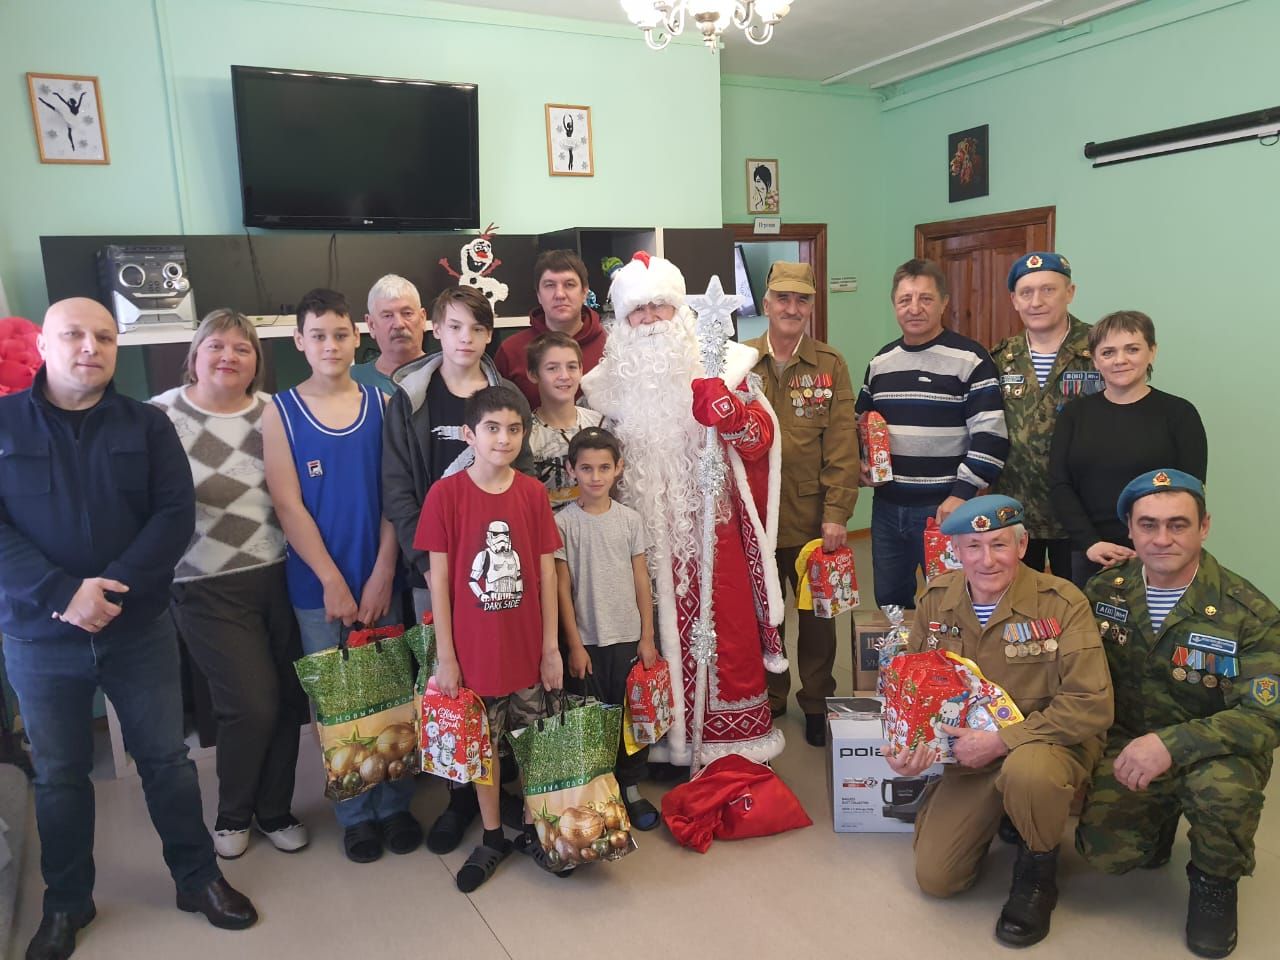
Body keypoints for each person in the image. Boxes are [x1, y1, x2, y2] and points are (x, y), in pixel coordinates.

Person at [0, 298, 257, 960]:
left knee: (168, 763)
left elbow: (175, 515)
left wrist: (106, 592)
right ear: (44, 345)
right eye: (75, 335)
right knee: (59, 775)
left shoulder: (147, 424)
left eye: (106, 336)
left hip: (135, 628)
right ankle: (67, 902)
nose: (92, 346)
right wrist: (63, 594)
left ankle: (196, 879)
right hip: (39, 635)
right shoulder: (2, 423)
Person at [581, 252, 787, 768]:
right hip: (634, 545)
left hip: (710, 536)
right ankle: (650, 751)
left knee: (726, 640)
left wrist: (729, 411)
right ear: (622, 323)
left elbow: (760, 442)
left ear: (680, 313)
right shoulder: (603, 386)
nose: (650, 320)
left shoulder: (726, 365)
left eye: (660, 308)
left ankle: (721, 744)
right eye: (638, 311)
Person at [885, 495, 1113, 948]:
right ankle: (996, 809)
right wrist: (908, 751)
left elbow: (1091, 704)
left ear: (1023, 544)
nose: (987, 560)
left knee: (1028, 773)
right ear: (956, 551)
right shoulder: (935, 600)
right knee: (936, 879)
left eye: (999, 545)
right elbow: (915, 693)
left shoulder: (1062, 602)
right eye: (973, 547)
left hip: (1048, 743)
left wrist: (1003, 741)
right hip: (970, 754)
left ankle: (1037, 873)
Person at [1076, 469, 1278, 959]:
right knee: (1104, 855)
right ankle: (1158, 822)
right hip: (1130, 740)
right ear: (1129, 529)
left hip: (1214, 750)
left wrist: (1170, 745)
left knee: (1223, 793)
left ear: (1204, 526)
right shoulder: (1105, 592)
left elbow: (1265, 717)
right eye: (1148, 525)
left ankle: (1215, 882)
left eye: (1178, 524)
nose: (1162, 539)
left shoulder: (1248, 613)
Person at [262, 288, 419, 865]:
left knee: (388, 692)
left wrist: (382, 573)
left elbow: (392, 497)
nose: (330, 345)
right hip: (317, 588)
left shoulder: (382, 406)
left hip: (380, 578)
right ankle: (355, 813)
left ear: (358, 338)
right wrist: (330, 579)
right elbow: (288, 505)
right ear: (299, 342)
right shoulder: (279, 411)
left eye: (340, 334)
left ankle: (397, 803)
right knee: (339, 705)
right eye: (317, 335)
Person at [152, 310, 308, 860]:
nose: (228, 357)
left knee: (288, 700)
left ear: (257, 362)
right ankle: (233, 814)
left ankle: (275, 810)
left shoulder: (274, 412)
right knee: (250, 704)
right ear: (194, 354)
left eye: (243, 349)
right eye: (216, 346)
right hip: (204, 584)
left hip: (283, 576)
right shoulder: (162, 416)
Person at [382, 285, 532, 854]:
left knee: (502, 685)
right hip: (436, 573)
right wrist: (427, 563)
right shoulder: (411, 401)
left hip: (500, 575)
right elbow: (398, 490)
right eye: (454, 327)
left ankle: (501, 791)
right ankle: (458, 799)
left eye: (476, 328)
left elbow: (530, 473)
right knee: (450, 688)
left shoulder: (508, 396)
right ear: (435, 331)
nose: (465, 339)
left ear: (489, 334)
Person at [415, 385, 564, 890]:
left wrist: (550, 649)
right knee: (483, 751)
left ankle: (541, 824)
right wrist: (447, 658)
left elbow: (545, 576)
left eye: (514, 429)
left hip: (526, 651)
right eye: (492, 429)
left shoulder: (533, 493)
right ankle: (493, 834)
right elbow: (440, 580)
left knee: (529, 744)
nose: (503, 439)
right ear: (469, 435)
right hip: (473, 655)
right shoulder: (447, 495)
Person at [744, 261, 859, 747]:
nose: (792, 308)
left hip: (812, 518)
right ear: (766, 303)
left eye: (802, 300)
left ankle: (816, 701)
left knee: (817, 620)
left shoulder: (829, 365)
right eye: (783, 298)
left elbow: (841, 445)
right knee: (761, 615)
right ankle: (769, 697)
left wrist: (837, 514)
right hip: (753, 518)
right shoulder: (739, 359)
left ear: (811, 306)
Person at [856, 258, 1008, 609]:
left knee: (953, 604)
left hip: (945, 509)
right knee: (891, 604)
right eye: (905, 299)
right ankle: (904, 666)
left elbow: (991, 434)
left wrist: (962, 493)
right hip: (888, 509)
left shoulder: (971, 359)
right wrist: (861, 466)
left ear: (944, 302)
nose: (914, 308)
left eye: (925, 298)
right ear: (894, 304)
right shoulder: (881, 362)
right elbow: (860, 424)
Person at [1049, 310, 1207, 588]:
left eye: (1132, 349)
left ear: (1152, 352)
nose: (1120, 360)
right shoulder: (1074, 415)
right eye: (1108, 352)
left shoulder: (1179, 414)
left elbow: (1191, 491)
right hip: (1090, 553)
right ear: (1095, 360)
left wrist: (1156, 543)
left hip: (1162, 552)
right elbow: (1060, 484)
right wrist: (1091, 543)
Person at [556, 427, 659, 829]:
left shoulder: (630, 521)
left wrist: (647, 636)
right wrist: (574, 645)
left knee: (632, 718)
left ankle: (631, 789)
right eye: (586, 468)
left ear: (618, 469)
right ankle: (598, 795)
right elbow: (562, 588)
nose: (595, 476)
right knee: (592, 720)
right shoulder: (564, 524)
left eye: (604, 467)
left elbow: (641, 579)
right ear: (571, 470)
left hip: (629, 639)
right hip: (587, 643)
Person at [989, 252, 1098, 577]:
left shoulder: (1100, 348)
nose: (1037, 301)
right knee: (1018, 607)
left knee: (1079, 606)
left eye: (1048, 289)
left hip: (1081, 511)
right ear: (1014, 300)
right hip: (1015, 507)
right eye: (1027, 292)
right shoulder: (1000, 358)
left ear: (1070, 292)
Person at [494, 249, 607, 408]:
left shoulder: (612, 346)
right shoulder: (511, 351)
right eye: (550, 285)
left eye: (569, 285)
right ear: (538, 295)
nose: (560, 294)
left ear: (584, 292)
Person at [527, 331, 604, 510]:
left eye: (571, 367)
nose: (564, 376)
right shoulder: (525, 435)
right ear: (533, 374)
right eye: (552, 368)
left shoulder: (601, 425)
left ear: (581, 370)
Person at [351, 274, 428, 396]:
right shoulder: (350, 381)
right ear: (371, 325)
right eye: (387, 316)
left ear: (422, 318)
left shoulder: (448, 375)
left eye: (407, 313)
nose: (398, 324)